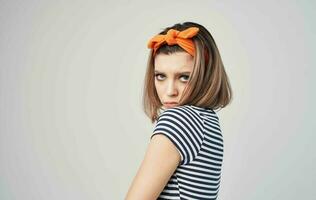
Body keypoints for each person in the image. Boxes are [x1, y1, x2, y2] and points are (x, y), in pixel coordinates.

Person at [125, 21, 232, 200]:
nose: (169, 91)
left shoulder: (179, 119)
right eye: (160, 76)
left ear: (205, 75)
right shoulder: (209, 121)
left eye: (184, 77)